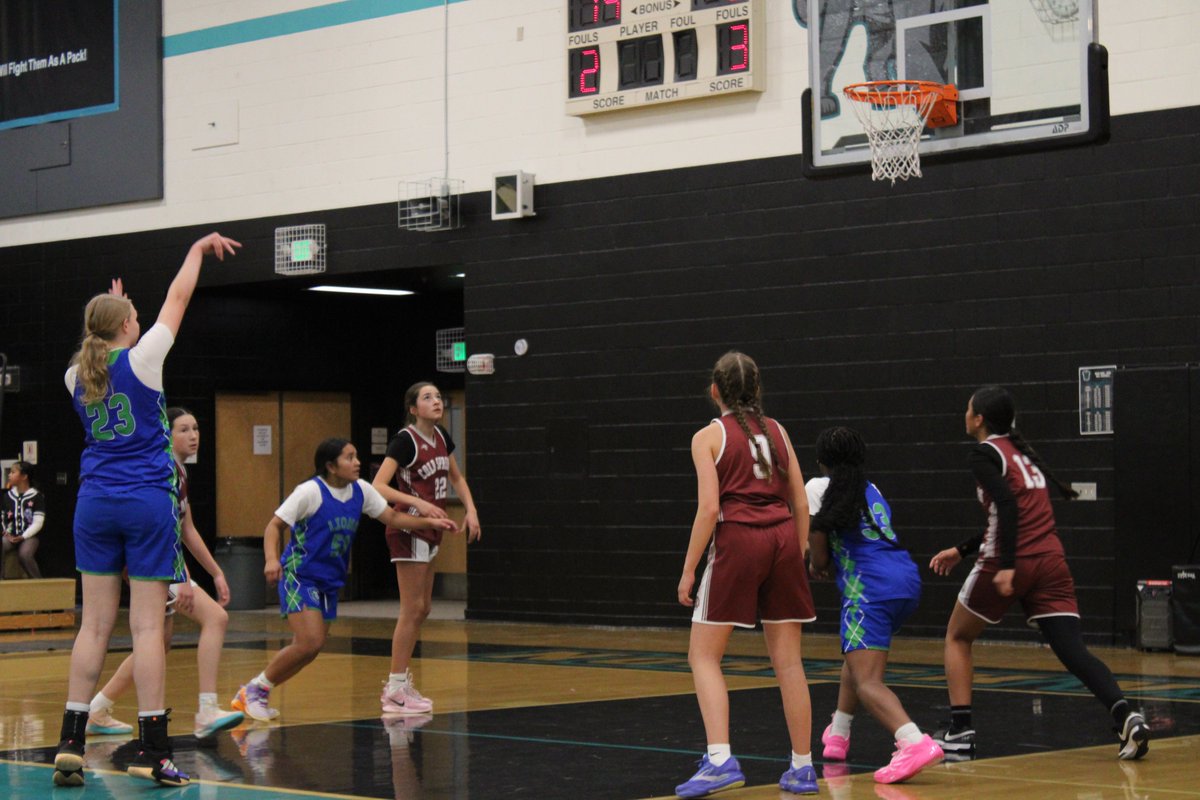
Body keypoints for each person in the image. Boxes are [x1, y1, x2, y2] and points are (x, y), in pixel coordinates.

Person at [55, 232, 241, 788]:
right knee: (145, 630)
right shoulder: (146, 358)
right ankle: (153, 749)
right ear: (126, 327)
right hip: (145, 503)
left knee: (92, 625)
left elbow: (102, 338)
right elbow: (178, 299)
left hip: (94, 503)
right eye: (132, 314)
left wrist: (117, 307)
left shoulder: (75, 375)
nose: (140, 319)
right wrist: (196, 252)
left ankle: (70, 739)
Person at [929, 385, 1150, 760]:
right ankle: (1126, 715)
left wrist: (1009, 567)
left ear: (979, 418)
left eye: (968, 409)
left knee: (957, 637)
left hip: (1012, 560)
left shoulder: (984, 453)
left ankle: (961, 731)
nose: (964, 414)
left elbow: (1008, 508)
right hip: (1051, 561)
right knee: (1071, 648)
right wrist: (961, 550)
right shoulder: (1020, 455)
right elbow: (1015, 514)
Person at [674, 351, 818, 798]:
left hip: (739, 539)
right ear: (757, 390)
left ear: (714, 391)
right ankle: (802, 767)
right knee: (789, 662)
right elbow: (800, 499)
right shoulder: (778, 431)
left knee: (703, 656)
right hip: (782, 538)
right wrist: (798, 548)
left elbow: (710, 509)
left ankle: (719, 759)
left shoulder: (709, 436)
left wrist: (688, 568)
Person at [231, 438, 457, 721]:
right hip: (300, 575)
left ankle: (259, 689)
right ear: (331, 466)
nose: (357, 462)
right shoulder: (310, 492)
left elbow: (392, 518)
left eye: (356, 455)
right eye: (349, 457)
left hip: (330, 580)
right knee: (309, 640)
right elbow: (274, 526)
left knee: (310, 648)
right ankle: (254, 690)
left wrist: (430, 523)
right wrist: (271, 559)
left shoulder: (361, 490)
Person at [86, 407, 245, 742]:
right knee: (215, 618)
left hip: (161, 561)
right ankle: (206, 709)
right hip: (155, 562)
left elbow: (187, 528)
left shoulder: (179, 472)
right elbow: (165, 528)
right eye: (184, 429)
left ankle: (97, 708)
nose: (193, 435)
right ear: (167, 434)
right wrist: (183, 576)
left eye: (196, 428)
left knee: (159, 642)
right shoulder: (162, 469)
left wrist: (216, 572)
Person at [805, 426, 943, 784]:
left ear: (822, 461)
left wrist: (816, 562)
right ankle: (838, 734)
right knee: (857, 656)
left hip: (869, 589)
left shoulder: (819, 488)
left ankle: (913, 741)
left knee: (868, 680)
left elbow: (819, 556)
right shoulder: (872, 489)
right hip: (905, 579)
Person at [371, 382, 480, 715]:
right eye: (427, 397)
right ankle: (394, 688)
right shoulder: (405, 441)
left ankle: (401, 685)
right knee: (412, 608)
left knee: (423, 608)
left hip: (431, 529)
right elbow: (378, 486)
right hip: (409, 529)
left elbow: (457, 478)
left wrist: (471, 509)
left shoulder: (443, 437)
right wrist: (418, 502)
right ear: (413, 408)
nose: (436, 401)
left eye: (438, 396)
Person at [2, 460, 45, 579]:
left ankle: (39, 584)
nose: (9, 475)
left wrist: (24, 536)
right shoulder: (7, 496)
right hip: (10, 535)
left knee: (25, 554)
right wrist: (7, 533)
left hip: (29, 536)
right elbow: (2, 517)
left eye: (13, 472)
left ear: (24, 476)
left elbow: (38, 522)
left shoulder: (36, 496)